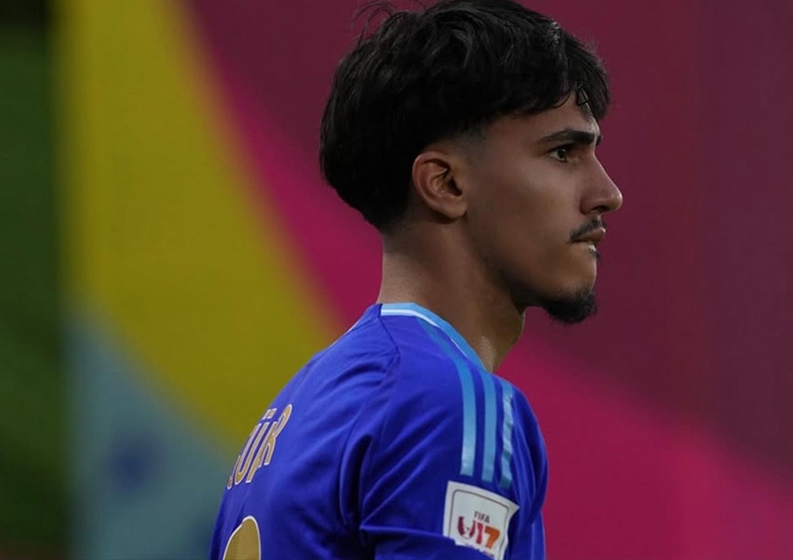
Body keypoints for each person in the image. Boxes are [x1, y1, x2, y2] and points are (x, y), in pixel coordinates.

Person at [210, 0, 622, 558]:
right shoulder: (451, 402)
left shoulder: (298, 409)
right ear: (445, 184)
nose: (608, 194)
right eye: (563, 152)